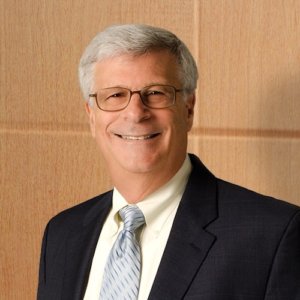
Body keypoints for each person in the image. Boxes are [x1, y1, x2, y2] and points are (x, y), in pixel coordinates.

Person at [37, 24, 300, 300]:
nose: (136, 113)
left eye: (156, 93)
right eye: (115, 95)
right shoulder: (62, 235)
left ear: (188, 109)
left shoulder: (273, 235)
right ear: (91, 116)